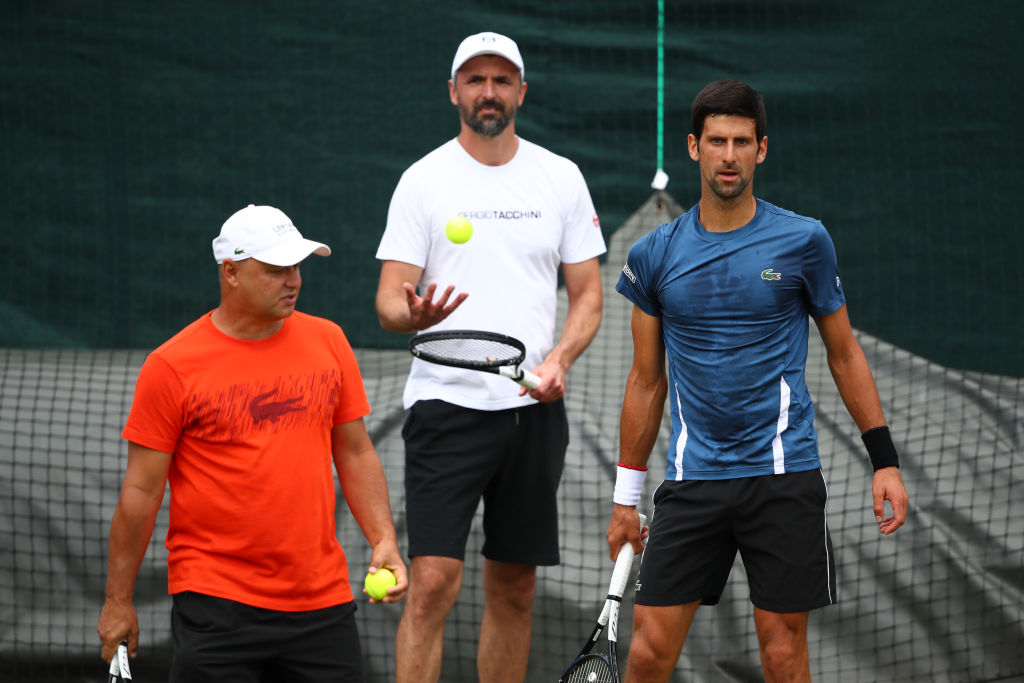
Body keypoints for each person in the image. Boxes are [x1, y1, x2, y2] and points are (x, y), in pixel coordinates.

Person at [606, 80, 910, 682]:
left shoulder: (804, 241)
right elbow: (646, 382)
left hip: (784, 479)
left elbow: (844, 354)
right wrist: (625, 500)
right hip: (693, 484)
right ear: (693, 147)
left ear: (761, 150)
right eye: (716, 141)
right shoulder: (652, 254)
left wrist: (885, 460)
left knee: (781, 654)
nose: (728, 155)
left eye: (741, 142)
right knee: (645, 655)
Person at [374, 31, 606, 683]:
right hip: (445, 407)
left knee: (514, 587)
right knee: (431, 583)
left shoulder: (560, 178)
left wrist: (560, 358)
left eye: (502, 80)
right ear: (453, 91)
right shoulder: (423, 181)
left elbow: (587, 296)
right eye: (474, 79)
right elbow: (389, 300)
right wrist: (410, 312)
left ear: (521, 93)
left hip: (532, 411)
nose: (488, 91)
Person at [97, 204, 408, 682]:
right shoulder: (171, 366)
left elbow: (354, 450)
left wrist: (384, 538)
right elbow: (140, 492)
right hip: (216, 605)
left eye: (296, 267)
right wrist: (118, 600)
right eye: (275, 270)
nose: (293, 281)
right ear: (231, 272)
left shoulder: (329, 341)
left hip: (320, 603)